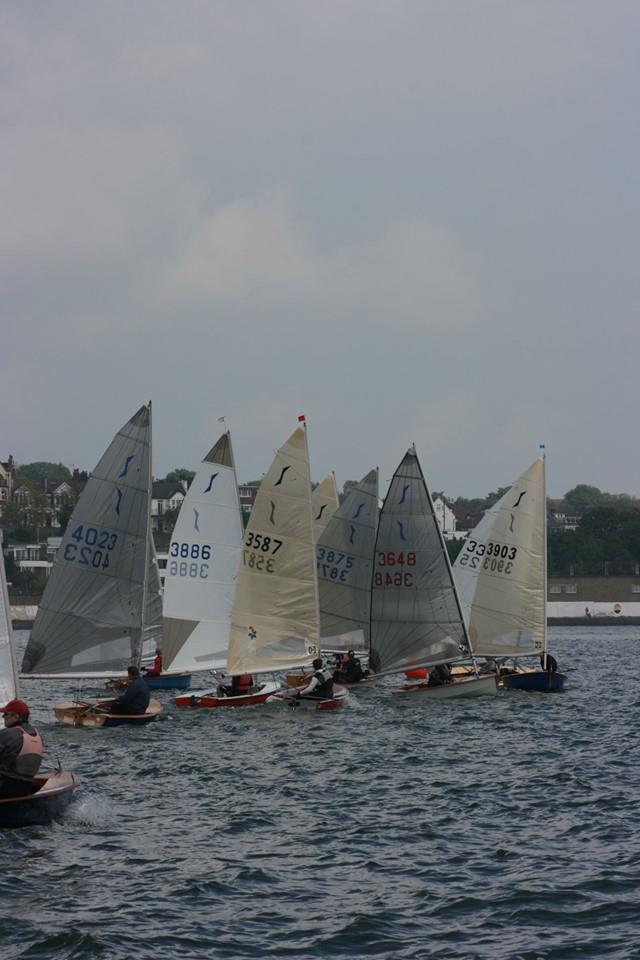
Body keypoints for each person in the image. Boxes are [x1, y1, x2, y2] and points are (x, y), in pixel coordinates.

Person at [0, 699, 44, 798]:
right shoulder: (37, 735)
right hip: (24, 788)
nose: (3, 717)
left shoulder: (7, 734)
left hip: (3, 788)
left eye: (5, 714)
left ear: (16, 716)